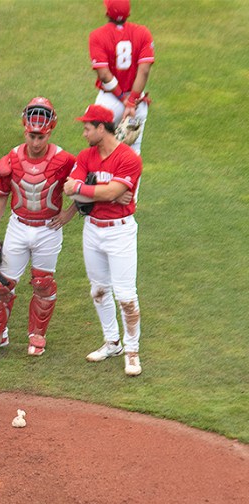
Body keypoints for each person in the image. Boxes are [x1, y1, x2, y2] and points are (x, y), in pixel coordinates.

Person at [0, 98, 77, 357]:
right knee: (1, 284)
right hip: (18, 227)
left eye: (41, 136)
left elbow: (81, 189)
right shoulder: (12, 159)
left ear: (50, 132)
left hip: (48, 229)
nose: (36, 142)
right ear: (24, 130)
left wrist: (68, 214)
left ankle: (37, 335)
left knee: (42, 283)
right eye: (32, 135)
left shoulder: (64, 160)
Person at [63, 104, 144, 376]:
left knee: (125, 296)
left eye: (87, 127)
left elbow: (107, 191)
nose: (84, 133)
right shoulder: (85, 156)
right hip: (93, 229)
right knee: (98, 290)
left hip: (120, 232)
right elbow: (70, 190)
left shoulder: (129, 158)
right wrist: (105, 192)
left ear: (101, 128)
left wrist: (89, 189)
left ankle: (132, 351)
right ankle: (112, 343)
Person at [89, 0, 155, 155]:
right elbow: (144, 70)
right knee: (132, 153)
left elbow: (104, 74)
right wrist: (131, 101)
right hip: (137, 102)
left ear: (107, 13)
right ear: (129, 13)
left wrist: (122, 98)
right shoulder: (143, 33)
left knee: (100, 152)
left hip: (109, 101)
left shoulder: (98, 35)